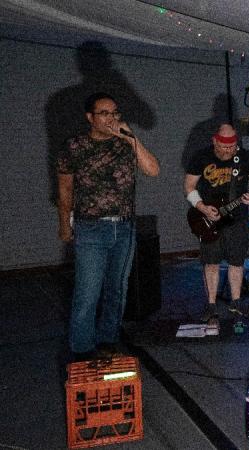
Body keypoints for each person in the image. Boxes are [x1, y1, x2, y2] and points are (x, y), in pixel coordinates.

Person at [57, 92, 160, 361]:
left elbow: (153, 170)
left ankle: (108, 340)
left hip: (124, 228)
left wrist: (131, 138)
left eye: (115, 113)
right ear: (90, 117)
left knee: (117, 289)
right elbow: (65, 189)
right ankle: (81, 350)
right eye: (104, 113)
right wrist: (64, 225)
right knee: (88, 292)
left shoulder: (126, 144)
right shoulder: (75, 146)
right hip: (91, 228)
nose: (111, 118)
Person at [184, 124, 249, 333]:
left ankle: (236, 302)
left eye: (232, 147)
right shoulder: (201, 157)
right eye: (223, 147)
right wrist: (201, 207)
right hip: (209, 216)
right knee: (210, 262)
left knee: (237, 261)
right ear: (215, 141)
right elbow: (189, 186)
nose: (228, 151)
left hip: (237, 219)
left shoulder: (245, 158)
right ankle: (211, 305)